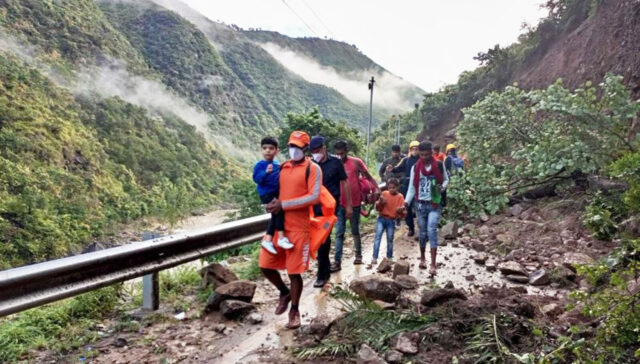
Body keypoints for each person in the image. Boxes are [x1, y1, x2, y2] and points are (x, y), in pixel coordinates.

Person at [258, 131, 322, 329]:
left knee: (294, 272)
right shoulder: (283, 166)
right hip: (279, 226)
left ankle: (294, 310)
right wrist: (271, 203)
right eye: (291, 146)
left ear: (306, 148)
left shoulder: (313, 169)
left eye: (297, 146)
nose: (293, 150)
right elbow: (272, 188)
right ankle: (283, 292)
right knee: (265, 265)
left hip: (299, 228)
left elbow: (314, 197)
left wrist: (283, 205)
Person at [309, 135, 351, 288]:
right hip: (313, 209)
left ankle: (321, 276)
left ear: (324, 148)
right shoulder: (310, 164)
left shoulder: (336, 162)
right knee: (320, 240)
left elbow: (344, 183)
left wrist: (348, 205)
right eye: (313, 151)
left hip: (331, 209)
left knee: (323, 239)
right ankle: (325, 271)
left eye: (318, 150)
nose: (316, 153)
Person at [331, 140, 379, 271]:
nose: (340, 156)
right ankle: (337, 261)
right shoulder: (334, 164)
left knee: (355, 231)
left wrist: (376, 188)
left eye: (342, 153)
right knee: (339, 232)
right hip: (340, 203)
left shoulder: (356, 162)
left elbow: (368, 176)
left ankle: (358, 255)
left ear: (347, 151)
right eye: (337, 154)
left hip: (355, 203)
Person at [404, 141, 449, 275]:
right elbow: (412, 188)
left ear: (431, 153)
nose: (424, 157)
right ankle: (423, 258)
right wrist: (406, 203)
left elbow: (446, 179)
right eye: (422, 155)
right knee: (422, 233)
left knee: (432, 230)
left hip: (434, 203)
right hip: (420, 204)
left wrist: (442, 187)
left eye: (427, 154)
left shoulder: (439, 165)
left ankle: (433, 264)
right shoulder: (415, 168)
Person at [252, 137, 292, 254]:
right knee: (279, 212)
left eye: (271, 148)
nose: (267, 151)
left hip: (276, 193)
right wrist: (265, 173)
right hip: (266, 193)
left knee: (275, 216)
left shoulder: (276, 164)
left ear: (276, 150)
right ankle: (281, 238)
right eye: (265, 148)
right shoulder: (260, 165)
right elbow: (257, 179)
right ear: (261, 150)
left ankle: (268, 240)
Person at [387, 141, 420, 236]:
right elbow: (397, 168)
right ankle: (411, 228)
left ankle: (421, 228)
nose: (415, 151)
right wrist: (392, 168)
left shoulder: (422, 160)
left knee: (419, 207)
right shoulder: (406, 160)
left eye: (416, 149)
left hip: (419, 186)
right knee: (407, 207)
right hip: (407, 185)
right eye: (413, 149)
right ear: (410, 150)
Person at [370, 178, 406, 266]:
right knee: (377, 237)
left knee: (390, 239)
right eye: (390, 187)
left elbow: (403, 213)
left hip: (391, 220)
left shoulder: (400, 197)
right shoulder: (384, 194)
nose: (391, 189)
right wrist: (381, 203)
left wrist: (400, 211)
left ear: (397, 188)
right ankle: (374, 257)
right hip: (381, 218)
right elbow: (378, 208)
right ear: (387, 187)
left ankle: (389, 257)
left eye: (393, 187)